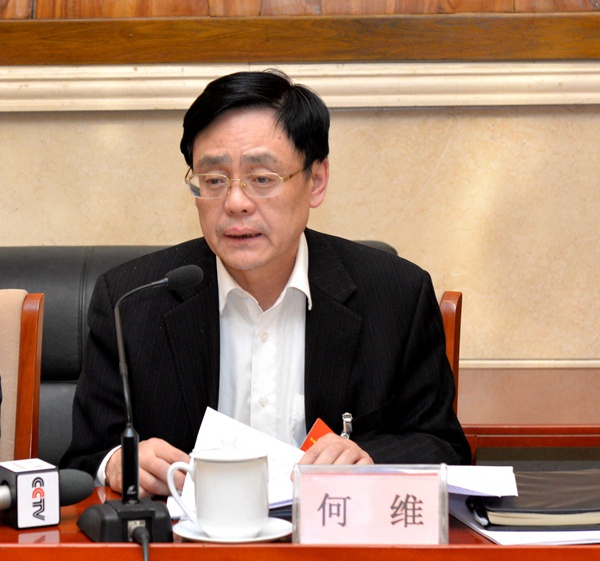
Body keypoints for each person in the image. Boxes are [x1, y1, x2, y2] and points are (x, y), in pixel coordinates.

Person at [61, 69, 471, 497]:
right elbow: (86, 458)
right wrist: (118, 463)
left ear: (316, 181)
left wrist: (367, 458)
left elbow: (442, 446)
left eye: (262, 179)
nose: (236, 202)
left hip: (328, 530)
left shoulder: (395, 295)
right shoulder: (131, 300)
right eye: (214, 180)